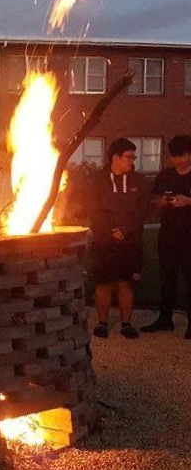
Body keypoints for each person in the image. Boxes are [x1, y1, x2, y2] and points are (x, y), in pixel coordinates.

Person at [87, 138, 150, 339]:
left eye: (134, 157)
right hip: (104, 242)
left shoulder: (139, 181)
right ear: (115, 157)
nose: (132, 161)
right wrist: (110, 230)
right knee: (103, 283)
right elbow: (93, 210)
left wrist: (126, 230)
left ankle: (126, 324)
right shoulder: (98, 179)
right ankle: (102, 323)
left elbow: (141, 211)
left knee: (126, 283)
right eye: (129, 157)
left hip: (130, 242)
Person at [141, 135, 191, 338]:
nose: (180, 160)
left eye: (184, 155)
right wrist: (162, 201)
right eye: (176, 156)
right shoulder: (165, 176)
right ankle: (165, 319)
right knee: (167, 278)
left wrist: (188, 201)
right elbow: (153, 202)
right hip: (168, 235)